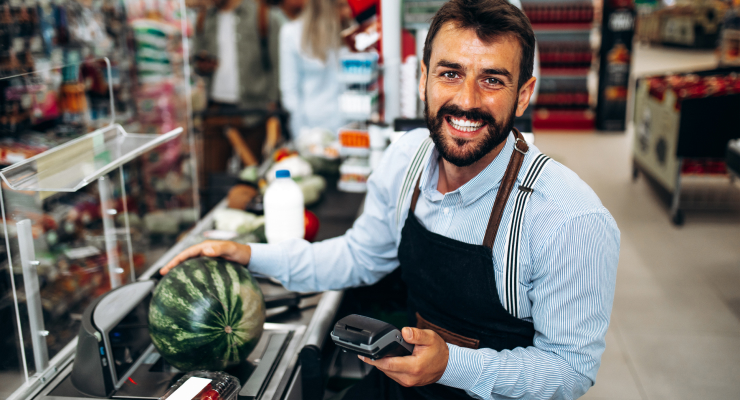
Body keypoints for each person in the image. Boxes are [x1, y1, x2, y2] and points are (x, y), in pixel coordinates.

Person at [163, 1, 620, 399]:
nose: (466, 100)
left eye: (493, 80)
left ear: (524, 94)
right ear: (423, 79)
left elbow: (570, 371)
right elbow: (359, 257)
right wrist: (249, 255)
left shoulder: (567, 218)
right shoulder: (406, 159)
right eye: (450, 73)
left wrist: (452, 365)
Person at [193, 0, 283, 186]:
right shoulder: (204, 18)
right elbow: (195, 59)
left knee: (255, 180)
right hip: (215, 110)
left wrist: (273, 106)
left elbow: (276, 63)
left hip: (253, 111)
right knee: (210, 182)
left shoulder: (262, 16)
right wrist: (202, 65)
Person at [278, 0, 354, 138]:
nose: (347, 11)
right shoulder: (292, 34)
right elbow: (290, 89)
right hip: (310, 127)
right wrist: (303, 133)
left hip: (349, 125)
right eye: (341, 6)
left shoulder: (350, 31)